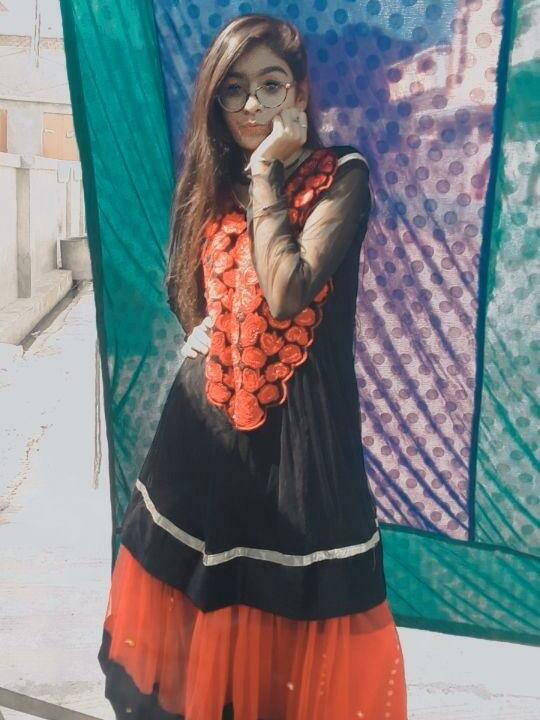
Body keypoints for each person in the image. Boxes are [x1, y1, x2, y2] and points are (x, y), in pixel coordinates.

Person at [98, 13, 408, 720]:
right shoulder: (211, 181)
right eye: (233, 89)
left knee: (298, 622)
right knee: (197, 641)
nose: (251, 105)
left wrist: (267, 169)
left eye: (270, 85)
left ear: (299, 91)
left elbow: (288, 288)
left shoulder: (341, 176)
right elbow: (182, 281)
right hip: (203, 437)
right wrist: (203, 332)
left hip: (303, 446)